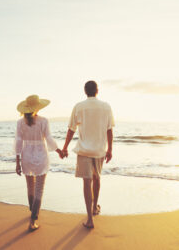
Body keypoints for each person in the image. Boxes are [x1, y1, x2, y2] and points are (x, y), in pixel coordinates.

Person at [62, 81, 114, 229]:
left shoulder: (79, 106)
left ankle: (90, 218)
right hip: (99, 150)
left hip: (84, 149)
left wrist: (65, 147)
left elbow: (71, 129)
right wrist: (110, 149)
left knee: (86, 182)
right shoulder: (106, 106)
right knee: (97, 178)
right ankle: (94, 208)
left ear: (85, 91)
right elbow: (109, 130)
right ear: (97, 90)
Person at [15, 94, 63, 232]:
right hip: (41, 155)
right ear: (37, 107)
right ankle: (33, 220)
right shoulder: (43, 121)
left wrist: (17, 162)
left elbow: (18, 142)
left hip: (26, 156)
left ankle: (32, 211)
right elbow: (49, 138)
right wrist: (59, 150)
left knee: (30, 186)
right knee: (39, 188)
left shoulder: (20, 122)